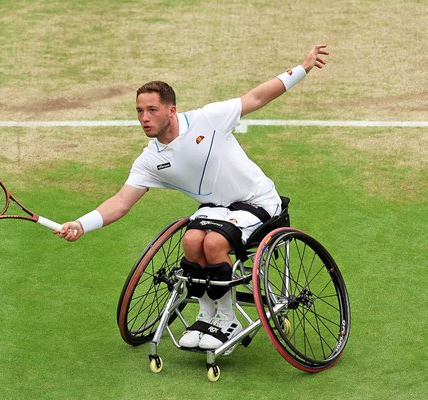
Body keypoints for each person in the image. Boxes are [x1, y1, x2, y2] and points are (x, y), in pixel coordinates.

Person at [56, 44, 329, 351]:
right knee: (190, 242)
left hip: (259, 201)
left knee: (212, 243)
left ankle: (228, 320)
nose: (144, 118)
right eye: (139, 112)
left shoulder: (208, 119)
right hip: (218, 210)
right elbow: (121, 202)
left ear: (171, 110)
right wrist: (82, 224)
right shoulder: (149, 160)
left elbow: (256, 97)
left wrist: (301, 68)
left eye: (151, 110)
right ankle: (206, 314)